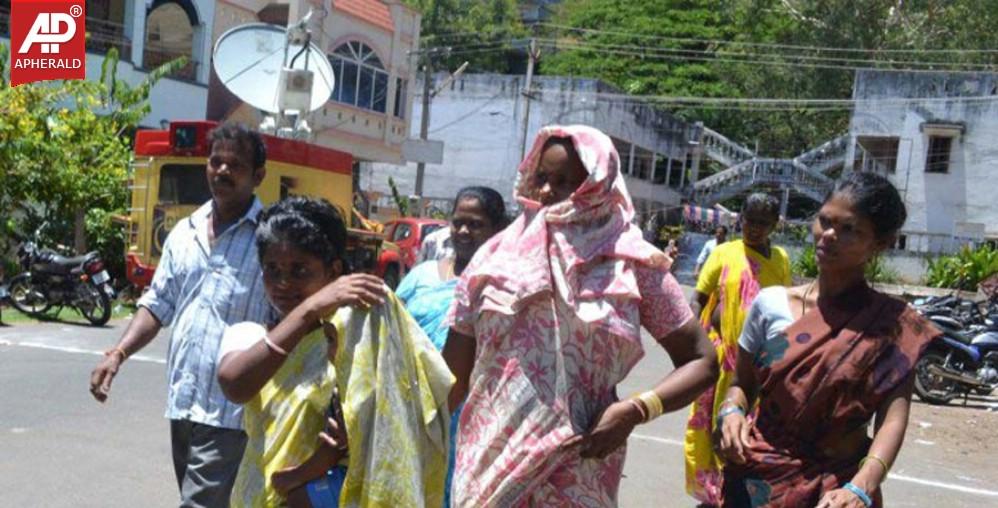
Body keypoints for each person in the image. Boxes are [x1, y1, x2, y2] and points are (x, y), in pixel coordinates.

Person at [443, 125, 719, 506]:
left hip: (578, 472)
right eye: (541, 177)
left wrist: (637, 410)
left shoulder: (631, 263)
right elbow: (449, 382)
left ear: (597, 184)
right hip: (488, 472)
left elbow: (702, 361)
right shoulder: (493, 259)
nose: (544, 192)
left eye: (564, 182)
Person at [716, 172, 938, 508]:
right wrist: (731, 412)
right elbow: (742, 384)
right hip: (758, 481)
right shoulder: (770, 304)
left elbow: (892, 420)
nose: (828, 235)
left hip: (838, 490)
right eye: (824, 221)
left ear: (879, 243)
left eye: (849, 229)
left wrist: (861, 486)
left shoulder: (893, 325)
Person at [216, 196, 454, 507]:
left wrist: (320, 462)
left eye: (300, 270)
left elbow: (383, 432)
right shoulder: (249, 334)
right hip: (255, 495)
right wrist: (310, 309)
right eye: (272, 269)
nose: (283, 283)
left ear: (334, 271)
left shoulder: (354, 340)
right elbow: (235, 383)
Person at [89, 123, 274, 507]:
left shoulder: (270, 240)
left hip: (235, 411)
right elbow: (158, 303)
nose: (221, 171)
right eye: (215, 161)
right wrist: (118, 353)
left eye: (234, 165)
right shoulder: (184, 232)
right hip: (184, 402)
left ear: (258, 175)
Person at [395, 186, 508, 507]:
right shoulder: (421, 276)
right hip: (415, 406)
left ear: (497, 229)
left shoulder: (501, 285)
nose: (463, 231)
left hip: (472, 417)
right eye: (458, 222)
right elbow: (392, 335)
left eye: (475, 224)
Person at [684, 193, 792, 506]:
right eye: (749, 220)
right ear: (740, 218)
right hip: (720, 360)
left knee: (751, 429)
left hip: (759, 363)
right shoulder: (724, 253)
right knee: (711, 427)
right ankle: (711, 494)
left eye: (763, 222)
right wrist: (691, 342)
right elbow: (699, 298)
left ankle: (737, 492)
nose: (754, 228)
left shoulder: (781, 259)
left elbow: (784, 304)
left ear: (774, 225)